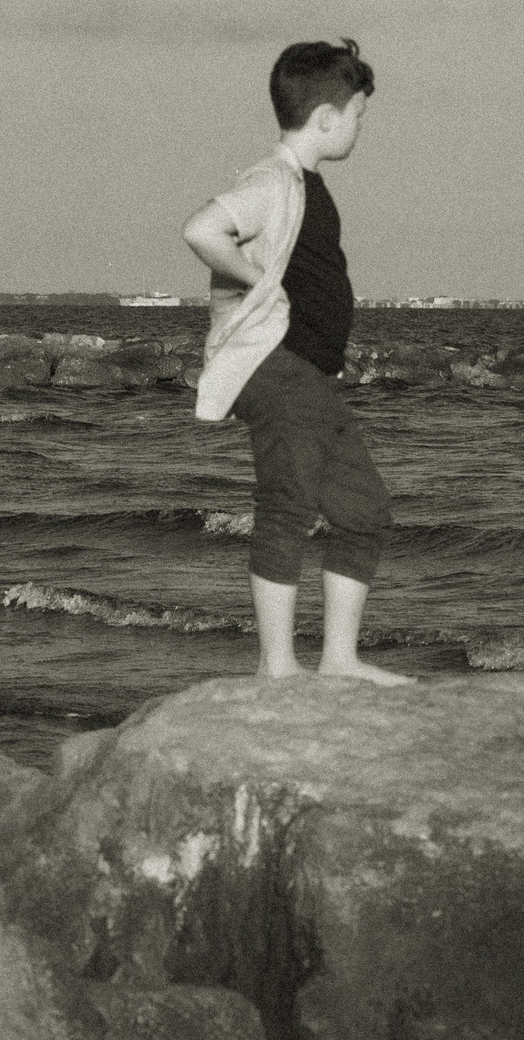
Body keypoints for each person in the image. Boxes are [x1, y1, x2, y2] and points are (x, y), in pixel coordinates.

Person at [182, 38, 409, 685]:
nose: (361, 127)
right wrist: (255, 278)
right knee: (288, 501)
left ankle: (338, 659)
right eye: (359, 115)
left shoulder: (305, 182)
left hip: (310, 377)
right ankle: (276, 665)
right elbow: (202, 229)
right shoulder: (273, 180)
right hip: (276, 369)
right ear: (328, 118)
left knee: (364, 509)